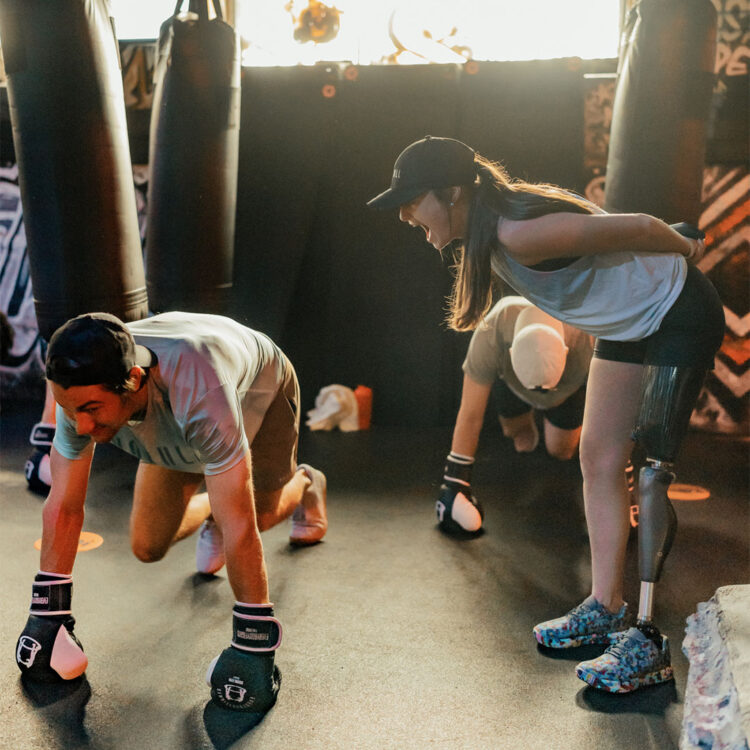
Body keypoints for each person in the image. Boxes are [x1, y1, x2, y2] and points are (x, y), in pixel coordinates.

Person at [368, 135, 725, 693]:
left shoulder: (520, 232)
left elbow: (633, 226)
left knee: (652, 473)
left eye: (413, 199)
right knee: (598, 457)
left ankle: (650, 642)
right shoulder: (491, 236)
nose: (406, 212)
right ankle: (607, 606)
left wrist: (685, 246)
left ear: (455, 193)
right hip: (625, 325)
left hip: (678, 311)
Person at [14, 311, 328, 713]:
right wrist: (47, 613)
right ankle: (219, 501)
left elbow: (242, 525)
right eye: (71, 409)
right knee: (147, 545)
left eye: (93, 408)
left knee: (257, 517)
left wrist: (254, 640)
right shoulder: (78, 398)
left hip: (257, 388)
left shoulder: (201, 391)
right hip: (176, 409)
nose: (83, 424)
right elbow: (64, 503)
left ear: (134, 381)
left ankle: (305, 483)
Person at [436, 295, 594, 535]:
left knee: (561, 450)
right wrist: (454, 484)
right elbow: (470, 413)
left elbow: (613, 416)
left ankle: (554, 428)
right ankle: (525, 427)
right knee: (520, 439)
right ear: (510, 352)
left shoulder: (591, 335)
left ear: (566, 350)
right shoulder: (493, 329)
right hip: (512, 385)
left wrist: (621, 484)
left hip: (568, 391)